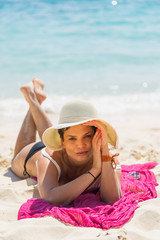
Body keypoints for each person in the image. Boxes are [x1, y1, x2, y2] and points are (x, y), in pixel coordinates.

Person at [11, 78, 122, 206]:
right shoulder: (47, 160)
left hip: (65, 148)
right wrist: (95, 170)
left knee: (68, 131)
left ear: (97, 135)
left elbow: (112, 199)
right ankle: (31, 98)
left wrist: (105, 157)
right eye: (72, 138)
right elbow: (50, 197)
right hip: (32, 154)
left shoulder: (108, 157)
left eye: (87, 136)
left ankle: (35, 98)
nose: (81, 145)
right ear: (61, 141)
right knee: (15, 159)